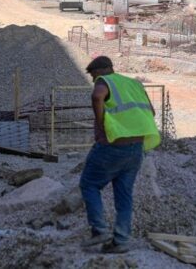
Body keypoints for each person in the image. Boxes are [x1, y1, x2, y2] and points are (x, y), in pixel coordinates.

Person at [79, 56, 161, 254]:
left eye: (92, 75)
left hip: (113, 145)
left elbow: (97, 96)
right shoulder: (134, 84)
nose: (92, 79)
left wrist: (101, 123)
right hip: (136, 148)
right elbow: (151, 111)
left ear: (99, 71)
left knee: (89, 184)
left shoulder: (104, 81)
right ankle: (121, 240)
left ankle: (99, 230)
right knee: (124, 195)